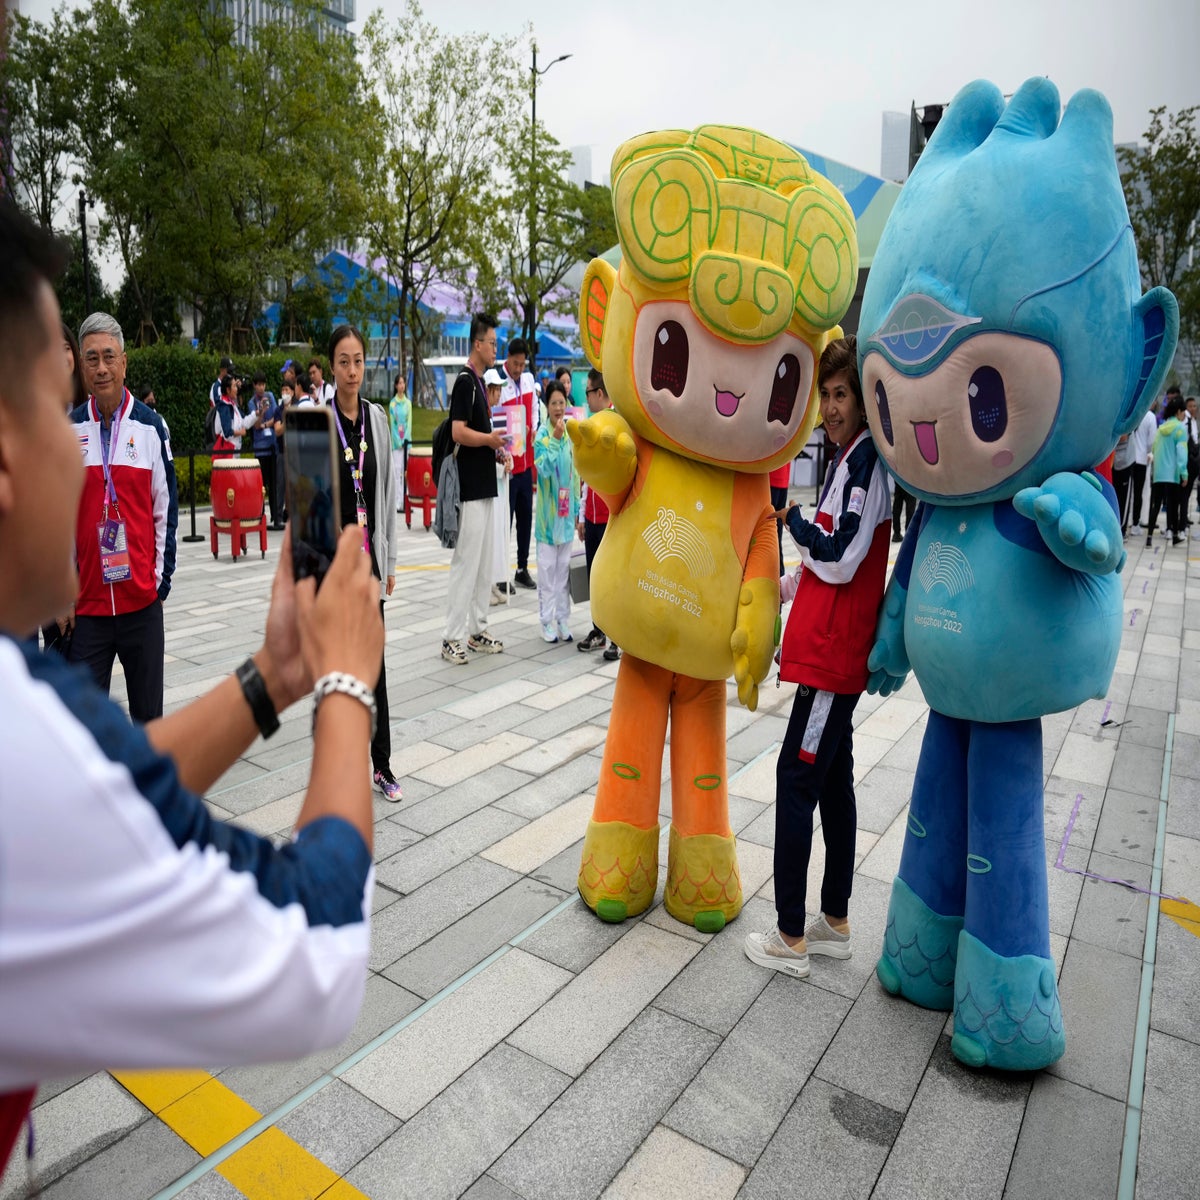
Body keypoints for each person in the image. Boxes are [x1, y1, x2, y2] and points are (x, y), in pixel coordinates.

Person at [0, 203, 384, 1172]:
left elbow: (97, 784)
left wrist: (272, 680)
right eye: (56, 406)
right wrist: (345, 682)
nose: (77, 448)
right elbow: (318, 949)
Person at [744, 337, 890, 979]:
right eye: (826, 396)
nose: (830, 408)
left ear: (862, 399)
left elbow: (839, 553)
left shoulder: (864, 468)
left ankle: (789, 936)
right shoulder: (846, 460)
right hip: (828, 649)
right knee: (831, 780)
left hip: (831, 660)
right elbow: (824, 565)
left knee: (795, 781)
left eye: (841, 395)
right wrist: (778, 589)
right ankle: (832, 921)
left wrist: (793, 520)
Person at [67, 311, 178, 723]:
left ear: (124, 362)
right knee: (85, 732)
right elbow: (58, 516)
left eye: (109, 356)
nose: (101, 368)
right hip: (88, 611)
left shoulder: (151, 428)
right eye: (92, 358)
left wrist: (159, 582)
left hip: (141, 606)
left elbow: (166, 509)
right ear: (82, 365)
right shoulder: (70, 428)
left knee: (149, 725)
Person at [327, 324, 404, 802]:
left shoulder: (377, 419)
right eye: (343, 362)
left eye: (358, 361)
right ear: (331, 366)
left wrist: (390, 561)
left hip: (369, 566)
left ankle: (382, 765)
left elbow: (388, 493)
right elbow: (304, 497)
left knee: (374, 667)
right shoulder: (317, 420)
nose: (352, 370)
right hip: (333, 571)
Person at [441, 315, 506, 664]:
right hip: (468, 489)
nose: (496, 348)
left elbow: (477, 437)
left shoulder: (479, 383)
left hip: (484, 486)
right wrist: (490, 439)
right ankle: (451, 636)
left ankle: (477, 628)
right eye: (492, 342)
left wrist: (497, 452)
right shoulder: (466, 382)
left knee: (483, 565)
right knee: (466, 563)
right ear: (478, 344)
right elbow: (458, 432)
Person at [575, 369, 619, 661]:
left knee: (612, 579)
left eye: (588, 392)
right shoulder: (591, 424)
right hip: (591, 515)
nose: (586, 397)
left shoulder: (618, 425)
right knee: (593, 574)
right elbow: (584, 477)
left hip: (611, 516)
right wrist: (581, 514)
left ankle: (616, 636)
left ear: (599, 394)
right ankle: (598, 630)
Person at [534, 379, 579, 643]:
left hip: (565, 519)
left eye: (562, 402)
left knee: (564, 575)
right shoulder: (542, 436)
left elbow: (574, 474)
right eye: (554, 403)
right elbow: (545, 470)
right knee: (547, 573)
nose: (559, 408)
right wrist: (555, 439)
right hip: (547, 521)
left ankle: (563, 619)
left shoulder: (571, 435)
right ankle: (546, 621)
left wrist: (576, 508)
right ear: (547, 406)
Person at [497, 336, 537, 590]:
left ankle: (522, 568)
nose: (519, 369)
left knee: (525, 519)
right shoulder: (498, 384)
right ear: (507, 358)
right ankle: (501, 573)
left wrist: (535, 426)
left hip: (527, 463)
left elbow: (534, 410)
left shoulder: (529, 380)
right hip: (508, 466)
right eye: (515, 363)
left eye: (522, 364)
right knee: (505, 521)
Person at [483, 367, 514, 606]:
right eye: (496, 390)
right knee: (489, 536)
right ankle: (486, 586)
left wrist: (506, 457)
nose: (498, 395)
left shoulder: (492, 416)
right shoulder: (484, 419)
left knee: (497, 535)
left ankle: (492, 583)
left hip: (499, 484)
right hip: (489, 485)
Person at [1146, 395, 1188, 547]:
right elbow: (1182, 452)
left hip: (1158, 473)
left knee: (1155, 505)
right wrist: (1184, 473)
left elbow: (1155, 448)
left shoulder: (1161, 428)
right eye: (1183, 412)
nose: (1184, 415)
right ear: (1178, 412)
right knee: (1172, 506)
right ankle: (1175, 535)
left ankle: (1149, 537)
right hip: (1173, 474)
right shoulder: (1180, 428)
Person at [249, 371, 282, 529]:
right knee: (260, 485)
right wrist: (261, 412)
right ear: (254, 386)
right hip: (259, 448)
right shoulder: (251, 402)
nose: (261, 388)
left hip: (272, 445)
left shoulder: (270, 396)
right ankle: (260, 516)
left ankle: (276, 517)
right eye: (258, 385)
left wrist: (264, 425)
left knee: (274, 483)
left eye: (263, 384)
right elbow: (254, 424)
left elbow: (276, 417)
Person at [211, 373, 255, 459]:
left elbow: (244, 422)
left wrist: (257, 414)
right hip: (227, 453)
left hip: (234, 451)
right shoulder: (224, 406)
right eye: (234, 386)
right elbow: (227, 432)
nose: (237, 389)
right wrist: (240, 433)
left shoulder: (232, 404)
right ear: (228, 389)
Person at [388, 372, 412, 514]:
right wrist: (398, 441)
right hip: (397, 444)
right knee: (397, 472)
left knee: (407, 472)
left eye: (403, 383)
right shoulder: (393, 404)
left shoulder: (408, 404)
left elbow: (408, 423)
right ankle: (398, 501)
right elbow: (393, 424)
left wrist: (406, 440)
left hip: (407, 443)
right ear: (396, 386)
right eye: (399, 383)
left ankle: (407, 500)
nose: (401, 386)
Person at [1131, 402, 1157, 527]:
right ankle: (1136, 522)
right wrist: (1149, 452)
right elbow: (1151, 441)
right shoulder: (1150, 416)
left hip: (1129, 458)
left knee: (1128, 492)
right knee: (1139, 492)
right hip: (1141, 459)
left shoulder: (1133, 412)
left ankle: (1128, 521)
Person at [1112, 430, 1136, 536]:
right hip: (1114, 461)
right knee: (1115, 497)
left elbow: (1123, 436)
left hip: (1125, 462)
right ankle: (1116, 528)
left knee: (1124, 499)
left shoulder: (1126, 415)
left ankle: (1122, 530)